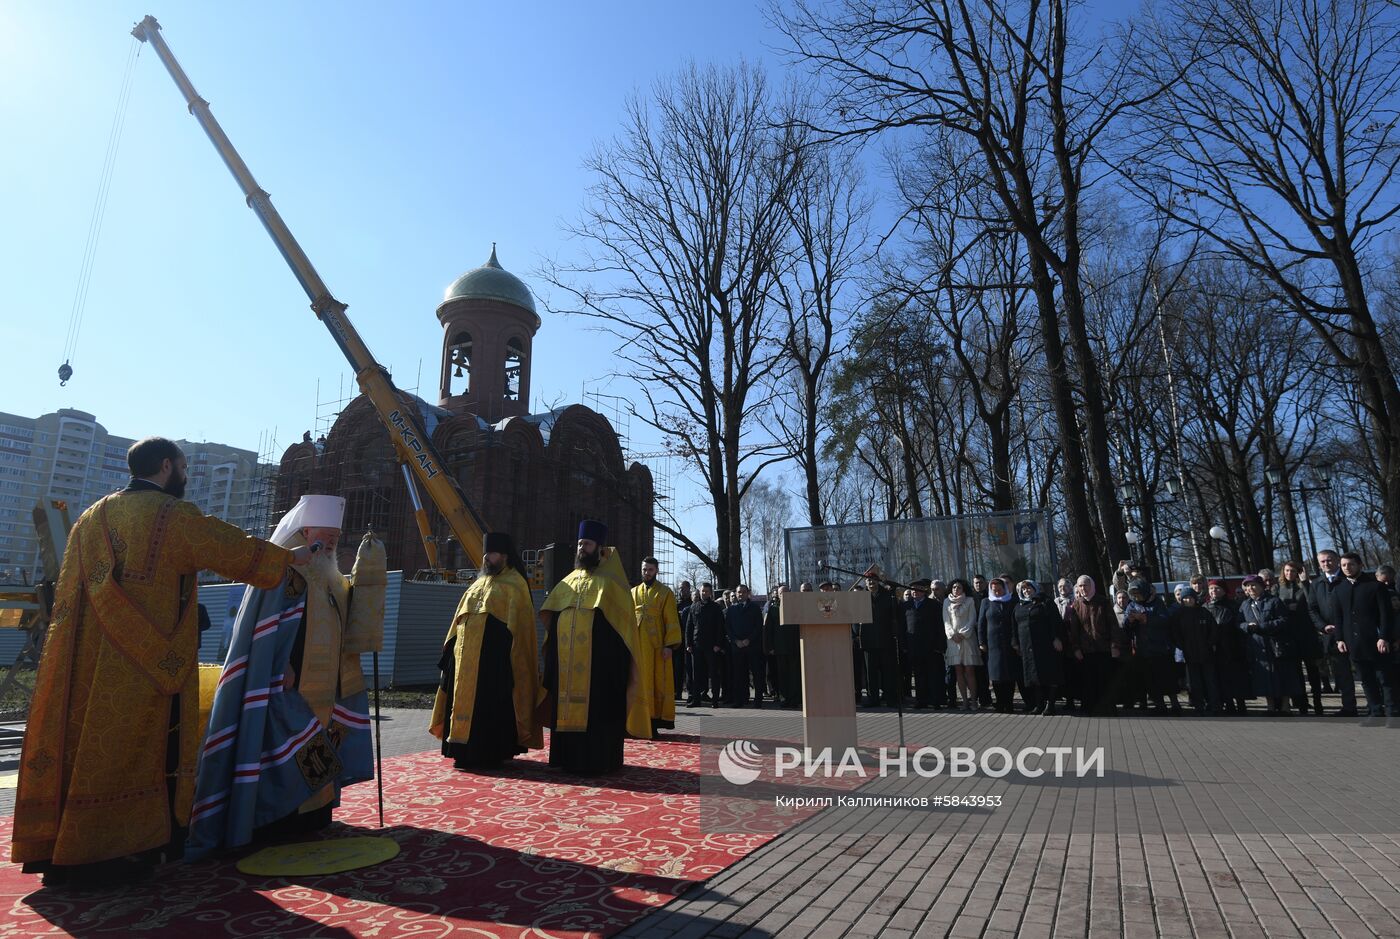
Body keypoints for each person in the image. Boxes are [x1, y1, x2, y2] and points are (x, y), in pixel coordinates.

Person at [13, 437, 305, 887]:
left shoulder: (90, 518)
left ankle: (62, 848)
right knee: (139, 751)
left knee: (85, 747)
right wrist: (291, 558)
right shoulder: (172, 515)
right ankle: (121, 852)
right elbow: (232, 549)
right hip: (144, 666)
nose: (186, 478)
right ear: (167, 466)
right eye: (185, 469)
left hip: (84, 666)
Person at [189, 495, 386, 858]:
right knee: (285, 753)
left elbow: (349, 621)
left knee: (318, 749)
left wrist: (369, 574)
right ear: (304, 530)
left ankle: (314, 815)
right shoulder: (285, 568)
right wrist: (280, 667)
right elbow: (267, 629)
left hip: (325, 687)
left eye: (335, 539)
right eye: (324, 535)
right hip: (285, 683)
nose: (329, 544)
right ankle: (277, 818)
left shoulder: (331, 576)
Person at [540, 521, 650, 774]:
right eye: (579, 544)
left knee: (598, 714)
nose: (581, 548)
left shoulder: (612, 584)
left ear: (600, 549)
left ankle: (599, 760)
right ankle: (566, 758)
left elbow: (621, 632)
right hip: (567, 667)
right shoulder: (567, 581)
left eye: (587, 544)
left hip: (599, 669)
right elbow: (553, 618)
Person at [430, 532, 541, 770]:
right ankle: (461, 750)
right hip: (465, 660)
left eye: (491, 554)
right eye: (485, 554)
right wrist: (450, 652)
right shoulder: (478, 583)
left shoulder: (516, 584)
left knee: (488, 708)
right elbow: (458, 621)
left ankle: (489, 753)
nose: (486, 558)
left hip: (494, 665)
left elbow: (521, 632)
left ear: (504, 556)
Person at [1335, 553, 1397, 724]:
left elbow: (1386, 615)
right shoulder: (1339, 589)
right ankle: (1376, 713)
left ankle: (1393, 714)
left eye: (1351, 564)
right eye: (1344, 565)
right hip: (1353, 642)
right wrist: (1339, 639)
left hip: (1376, 641)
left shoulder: (1375, 587)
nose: (1347, 568)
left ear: (1360, 565)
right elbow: (1338, 617)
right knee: (1366, 679)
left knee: (1385, 678)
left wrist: (1384, 636)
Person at [1238, 574, 1301, 715]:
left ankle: (1285, 706)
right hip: (1258, 646)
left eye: (1253, 585)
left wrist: (1262, 626)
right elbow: (1239, 623)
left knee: (1283, 675)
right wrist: (1247, 626)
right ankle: (1270, 706)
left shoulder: (1274, 601)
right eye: (1248, 586)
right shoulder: (1245, 604)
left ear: (1262, 586)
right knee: (1264, 677)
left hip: (1276, 644)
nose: (1251, 588)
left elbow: (1283, 620)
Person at [1307, 549, 1360, 716]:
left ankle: (1377, 706)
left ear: (1337, 560)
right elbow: (1312, 609)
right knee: (1342, 673)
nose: (1326, 564)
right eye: (1322, 561)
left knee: (1364, 671)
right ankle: (1349, 707)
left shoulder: (1348, 579)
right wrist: (1323, 626)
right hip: (1332, 636)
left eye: (1329, 560)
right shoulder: (1316, 584)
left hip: (1354, 633)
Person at [633, 557, 682, 733]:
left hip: (658, 647)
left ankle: (654, 722)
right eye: (644, 569)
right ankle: (637, 721)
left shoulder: (665, 592)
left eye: (650, 570)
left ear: (656, 571)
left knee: (657, 682)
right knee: (639, 682)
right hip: (638, 647)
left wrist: (669, 645)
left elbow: (671, 619)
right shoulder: (633, 592)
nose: (647, 573)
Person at [1064, 575, 1123, 715]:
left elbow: (1113, 625)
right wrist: (1076, 648)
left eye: (1086, 585)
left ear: (1092, 586)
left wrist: (1115, 645)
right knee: (1088, 681)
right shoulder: (1076, 605)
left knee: (1105, 680)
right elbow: (1074, 630)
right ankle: (1090, 708)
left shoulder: (1103, 602)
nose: (1083, 589)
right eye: (1080, 586)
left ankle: (1108, 708)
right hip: (1085, 651)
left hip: (1104, 649)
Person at [1125, 579, 1179, 715]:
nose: (1136, 596)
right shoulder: (1132, 605)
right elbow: (1126, 628)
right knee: (1151, 679)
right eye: (1134, 593)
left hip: (1160, 647)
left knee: (1167, 678)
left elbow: (1165, 620)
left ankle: (1175, 704)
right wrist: (1130, 621)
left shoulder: (1157, 603)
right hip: (1143, 649)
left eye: (1138, 593)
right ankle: (1160, 705)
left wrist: (1146, 619)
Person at [1276, 560, 1324, 714]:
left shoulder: (1307, 586)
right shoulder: (1279, 588)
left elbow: (1314, 603)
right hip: (1290, 635)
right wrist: (1286, 608)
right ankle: (1302, 704)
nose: (1290, 574)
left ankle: (1318, 703)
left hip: (1307, 633)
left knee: (1313, 671)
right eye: (1287, 571)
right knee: (1296, 673)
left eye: (1293, 571)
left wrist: (1305, 582)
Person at [1013, 581, 1065, 715]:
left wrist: (1056, 638)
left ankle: (1051, 704)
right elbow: (1014, 626)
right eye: (1023, 589)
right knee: (1034, 676)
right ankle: (1039, 704)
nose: (1026, 591)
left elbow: (1055, 621)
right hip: (1027, 647)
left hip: (1046, 645)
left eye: (1028, 588)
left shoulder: (1045, 602)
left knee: (1050, 675)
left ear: (1034, 588)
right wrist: (1015, 643)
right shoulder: (1019, 606)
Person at [1170, 587, 1220, 715]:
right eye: (1185, 598)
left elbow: (1213, 631)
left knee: (1210, 680)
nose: (1188, 600)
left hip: (1206, 653)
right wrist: (1183, 646)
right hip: (1189, 654)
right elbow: (1175, 634)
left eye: (1190, 598)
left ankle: (1214, 704)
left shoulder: (1204, 612)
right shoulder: (1178, 615)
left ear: (1195, 599)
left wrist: (1209, 644)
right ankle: (1199, 705)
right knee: (1193, 682)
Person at [1204, 580, 1249, 714]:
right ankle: (1228, 704)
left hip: (1232, 646)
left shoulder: (1233, 605)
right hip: (1214, 648)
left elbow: (1239, 624)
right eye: (1211, 588)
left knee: (1236, 677)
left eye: (1216, 588)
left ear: (1224, 590)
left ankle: (1241, 704)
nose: (1213, 591)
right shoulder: (1205, 607)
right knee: (1220, 678)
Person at [859, 566, 900, 707]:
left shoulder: (888, 595)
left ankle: (890, 698)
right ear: (865, 583)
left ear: (878, 582)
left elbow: (895, 615)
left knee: (888, 671)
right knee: (871, 673)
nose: (871, 583)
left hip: (886, 639)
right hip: (868, 641)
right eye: (868, 581)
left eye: (874, 581)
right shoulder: (860, 597)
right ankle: (873, 699)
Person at [978, 576, 1020, 712]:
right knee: (996, 675)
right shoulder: (986, 602)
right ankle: (1000, 702)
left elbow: (1016, 622)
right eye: (994, 590)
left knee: (1009, 674)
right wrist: (982, 642)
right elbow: (981, 624)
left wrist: (1015, 641)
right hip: (993, 644)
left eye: (999, 590)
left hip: (1009, 643)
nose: (997, 592)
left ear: (1005, 589)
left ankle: (1009, 703)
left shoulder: (1012, 601)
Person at [904, 578, 946, 709]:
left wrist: (940, 645)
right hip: (914, 647)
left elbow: (940, 626)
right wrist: (904, 645)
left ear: (924, 591)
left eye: (918, 589)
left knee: (933, 675)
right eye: (912, 590)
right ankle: (921, 700)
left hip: (931, 647)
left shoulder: (934, 605)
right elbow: (903, 627)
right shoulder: (906, 606)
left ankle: (935, 700)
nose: (915, 592)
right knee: (918, 675)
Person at [943, 578, 981, 709]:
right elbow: (946, 621)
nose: (956, 589)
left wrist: (963, 634)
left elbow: (972, 619)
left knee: (969, 670)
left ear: (963, 588)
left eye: (958, 587)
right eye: (954, 587)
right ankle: (964, 701)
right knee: (958, 670)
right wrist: (952, 634)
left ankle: (974, 700)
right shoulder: (946, 602)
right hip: (953, 640)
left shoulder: (969, 601)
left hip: (967, 639)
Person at [724, 584, 764, 707]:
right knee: (739, 674)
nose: (740, 594)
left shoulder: (755, 608)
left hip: (753, 646)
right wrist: (735, 641)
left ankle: (758, 700)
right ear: (735, 594)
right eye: (738, 592)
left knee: (757, 674)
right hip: (737, 647)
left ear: (748, 593)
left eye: (743, 592)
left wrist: (749, 639)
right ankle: (740, 700)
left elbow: (758, 627)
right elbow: (728, 628)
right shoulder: (731, 609)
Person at [687, 583, 726, 708]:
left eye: (707, 591)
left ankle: (715, 700)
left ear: (710, 593)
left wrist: (718, 644)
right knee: (696, 674)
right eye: (703, 591)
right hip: (697, 645)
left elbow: (721, 627)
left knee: (714, 673)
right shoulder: (694, 607)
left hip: (712, 646)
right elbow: (689, 627)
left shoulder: (715, 608)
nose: (704, 593)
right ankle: (696, 699)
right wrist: (688, 644)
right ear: (699, 591)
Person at [769, 585, 801, 708]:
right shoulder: (773, 609)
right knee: (782, 675)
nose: (784, 595)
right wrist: (770, 646)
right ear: (778, 595)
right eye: (781, 593)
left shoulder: (797, 608)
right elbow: (769, 630)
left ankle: (794, 699)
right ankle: (784, 698)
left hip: (794, 646)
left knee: (794, 674)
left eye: (786, 592)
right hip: (780, 647)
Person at [675, 581, 693, 703]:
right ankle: (677, 692)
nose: (681, 590)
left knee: (689, 668)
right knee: (677, 668)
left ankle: (691, 693)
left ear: (688, 589)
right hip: (677, 641)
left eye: (683, 588)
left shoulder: (693, 604)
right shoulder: (676, 605)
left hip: (689, 641)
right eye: (680, 588)